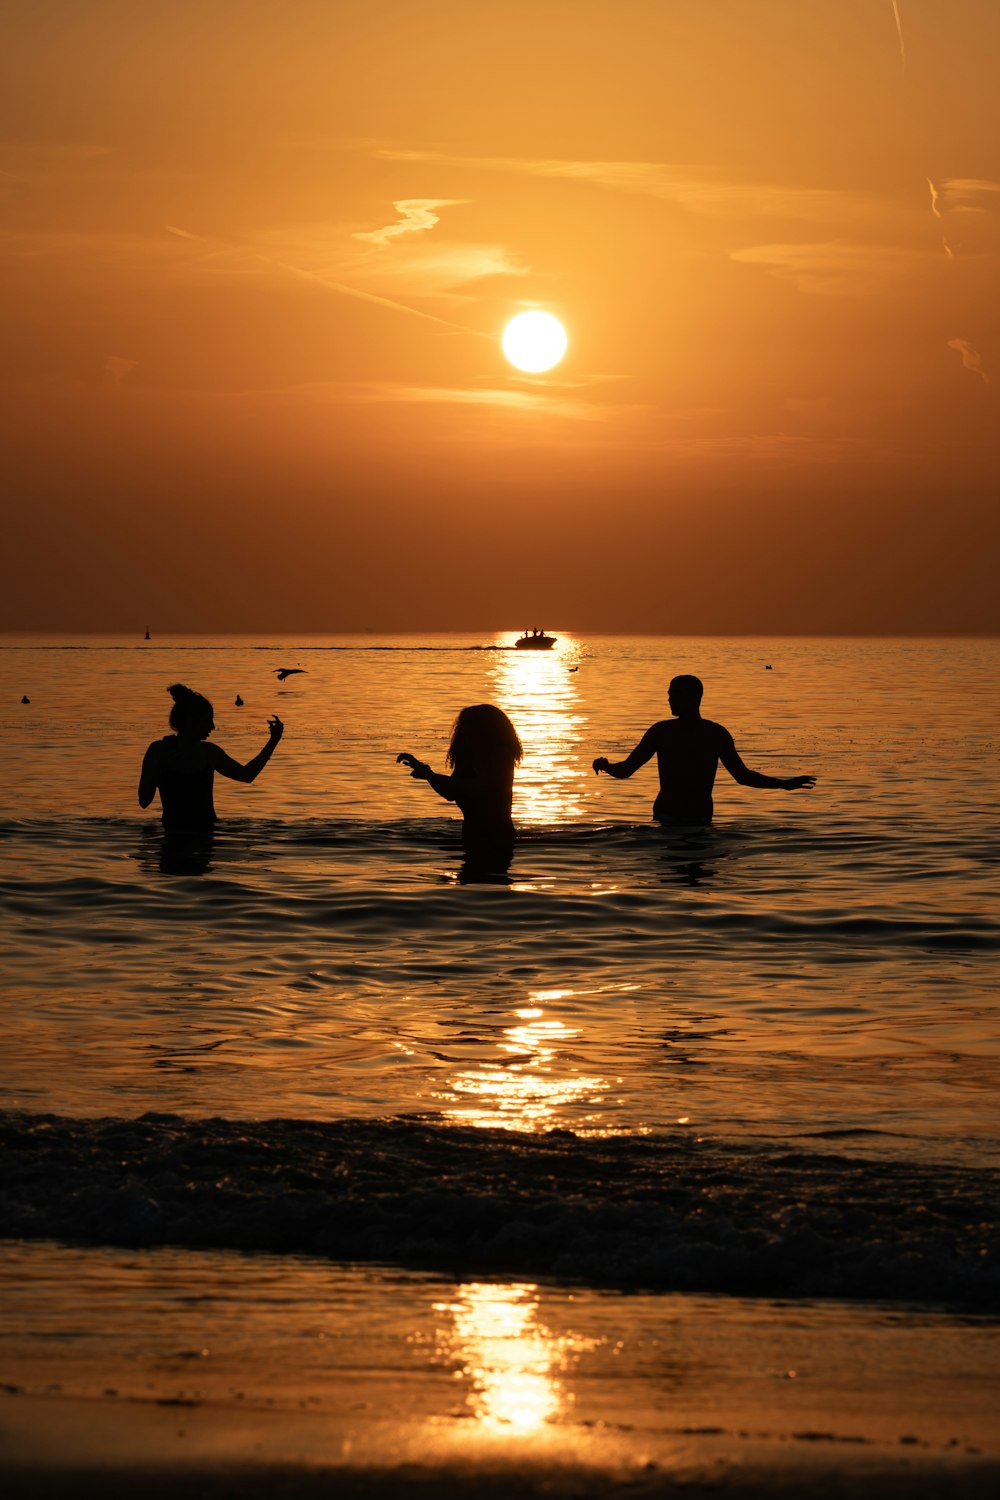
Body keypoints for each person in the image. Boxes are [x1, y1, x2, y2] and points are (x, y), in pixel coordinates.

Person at [592, 674, 815, 823]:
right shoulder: (663, 731)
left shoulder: (713, 734)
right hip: (668, 816)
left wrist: (784, 784)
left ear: (694, 697)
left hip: (698, 818)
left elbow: (743, 776)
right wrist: (607, 766)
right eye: (669, 694)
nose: (669, 699)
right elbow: (626, 770)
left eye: (675, 694)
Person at [397, 703, 523, 875]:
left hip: (497, 839)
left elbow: (481, 788)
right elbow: (451, 792)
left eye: (472, 725)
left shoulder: (500, 755)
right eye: (464, 725)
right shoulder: (467, 758)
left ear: (488, 728)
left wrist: (431, 776)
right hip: (470, 836)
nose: (465, 730)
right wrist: (426, 772)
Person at [138, 683, 283, 832]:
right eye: (208, 720)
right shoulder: (159, 750)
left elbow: (247, 775)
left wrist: (273, 741)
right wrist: (160, 768)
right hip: (172, 836)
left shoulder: (210, 752)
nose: (213, 726)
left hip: (206, 837)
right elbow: (144, 801)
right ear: (190, 721)